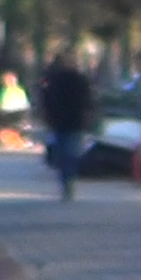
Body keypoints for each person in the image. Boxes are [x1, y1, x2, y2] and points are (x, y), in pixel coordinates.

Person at [39, 51, 93, 200]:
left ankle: (67, 180)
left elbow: (46, 98)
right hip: (68, 121)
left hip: (65, 121)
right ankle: (67, 180)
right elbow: (88, 100)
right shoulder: (78, 79)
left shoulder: (56, 79)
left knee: (67, 152)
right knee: (68, 153)